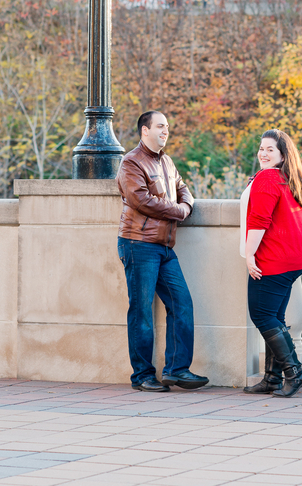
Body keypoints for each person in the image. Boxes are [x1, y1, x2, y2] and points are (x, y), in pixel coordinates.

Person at [117, 110, 209, 393]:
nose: (165, 131)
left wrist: (185, 206)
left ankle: (177, 370)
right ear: (145, 130)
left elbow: (184, 191)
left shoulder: (167, 162)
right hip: (138, 243)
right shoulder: (131, 162)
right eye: (160, 126)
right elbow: (141, 199)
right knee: (142, 311)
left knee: (182, 304)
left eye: (167, 127)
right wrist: (180, 211)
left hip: (165, 247)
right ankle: (142, 376)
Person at [241, 129, 302, 398]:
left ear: (283, 155)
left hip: (273, 258)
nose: (263, 153)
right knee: (274, 316)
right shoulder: (290, 178)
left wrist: (249, 256)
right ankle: (272, 379)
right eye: (261, 148)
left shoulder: (268, 178)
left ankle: (294, 373)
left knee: (261, 315)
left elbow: (259, 222)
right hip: (295, 258)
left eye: (270, 149)